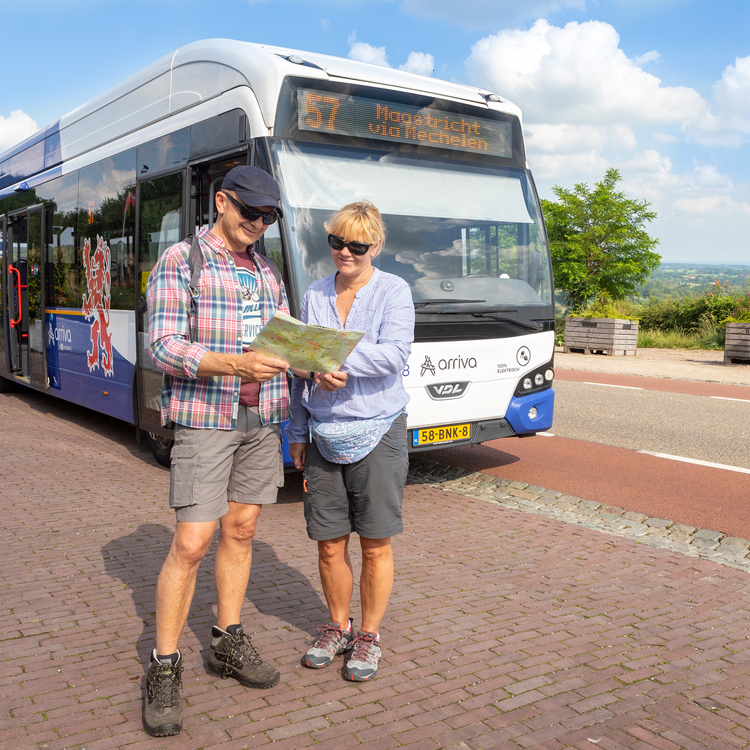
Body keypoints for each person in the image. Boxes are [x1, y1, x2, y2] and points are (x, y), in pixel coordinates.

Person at [143, 166, 291, 737]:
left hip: (262, 417)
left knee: (244, 529)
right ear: (222, 201)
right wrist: (235, 364)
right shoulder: (183, 261)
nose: (258, 224)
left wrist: (311, 364)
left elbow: (278, 342)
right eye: (250, 212)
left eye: (268, 217)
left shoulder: (267, 271)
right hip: (207, 417)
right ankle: (164, 664)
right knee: (192, 541)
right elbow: (160, 342)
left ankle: (227, 640)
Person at [286, 200, 414, 682]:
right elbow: (300, 365)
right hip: (321, 434)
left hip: (378, 429)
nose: (345, 252)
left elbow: (395, 354)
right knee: (327, 542)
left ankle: (369, 635)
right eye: (337, 242)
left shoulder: (394, 290)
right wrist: (297, 430)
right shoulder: (316, 293)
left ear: (375, 246)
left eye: (357, 245)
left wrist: (334, 362)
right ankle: (337, 626)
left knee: (376, 543)